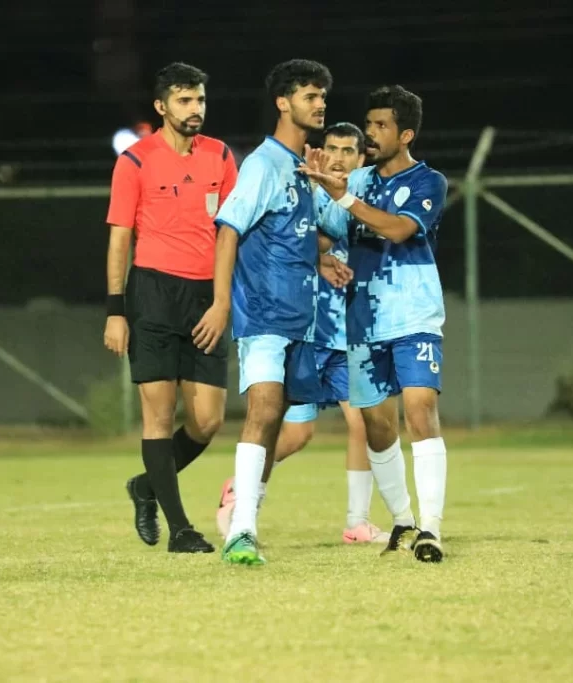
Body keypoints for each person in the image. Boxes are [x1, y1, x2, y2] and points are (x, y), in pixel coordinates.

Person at [191, 59, 351, 565]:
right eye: (310, 96)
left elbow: (319, 231)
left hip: (302, 316)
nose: (320, 105)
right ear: (283, 103)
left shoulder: (303, 166)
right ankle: (240, 532)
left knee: (281, 419)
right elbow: (229, 229)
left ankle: (246, 516)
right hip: (262, 312)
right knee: (263, 408)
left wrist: (322, 238)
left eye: (322, 96)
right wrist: (221, 303)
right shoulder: (263, 164)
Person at [214, 122, 389, 545]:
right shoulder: (310, 187)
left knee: (363, 420)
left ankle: (357, 521)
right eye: (332, 149)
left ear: (362, 158)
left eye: (348, 151)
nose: (338, 158)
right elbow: (311, 237)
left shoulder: (363, 195)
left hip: (345, 333)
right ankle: (241, 491)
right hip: (307, 328)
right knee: (295, 433)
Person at [302, 85, 449, 563]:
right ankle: (403, 520)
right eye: (369, 124)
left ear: (405, 135)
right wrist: (313, 200)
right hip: (363, 321)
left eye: (381, 126)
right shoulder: (357, 180)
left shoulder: (428, 181)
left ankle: (431, 529)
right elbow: (325, 234)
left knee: (420, 411)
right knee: (376, 425)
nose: (371, 133)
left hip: (413, 314)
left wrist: (344, 198)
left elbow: (400, 229)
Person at [103, 62, 238, 554]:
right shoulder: (134, 161)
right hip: (154, 294)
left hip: (206, 296)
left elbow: (230, 232)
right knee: (157, 416)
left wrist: (222, 300)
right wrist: (116, 311)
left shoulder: (221, 155)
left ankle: (145, 486)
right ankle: (181, 529)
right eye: (184, 100)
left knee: (208, 420)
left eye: (199, 99)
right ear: (161, 107)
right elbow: (120, 240)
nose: (194, 108)